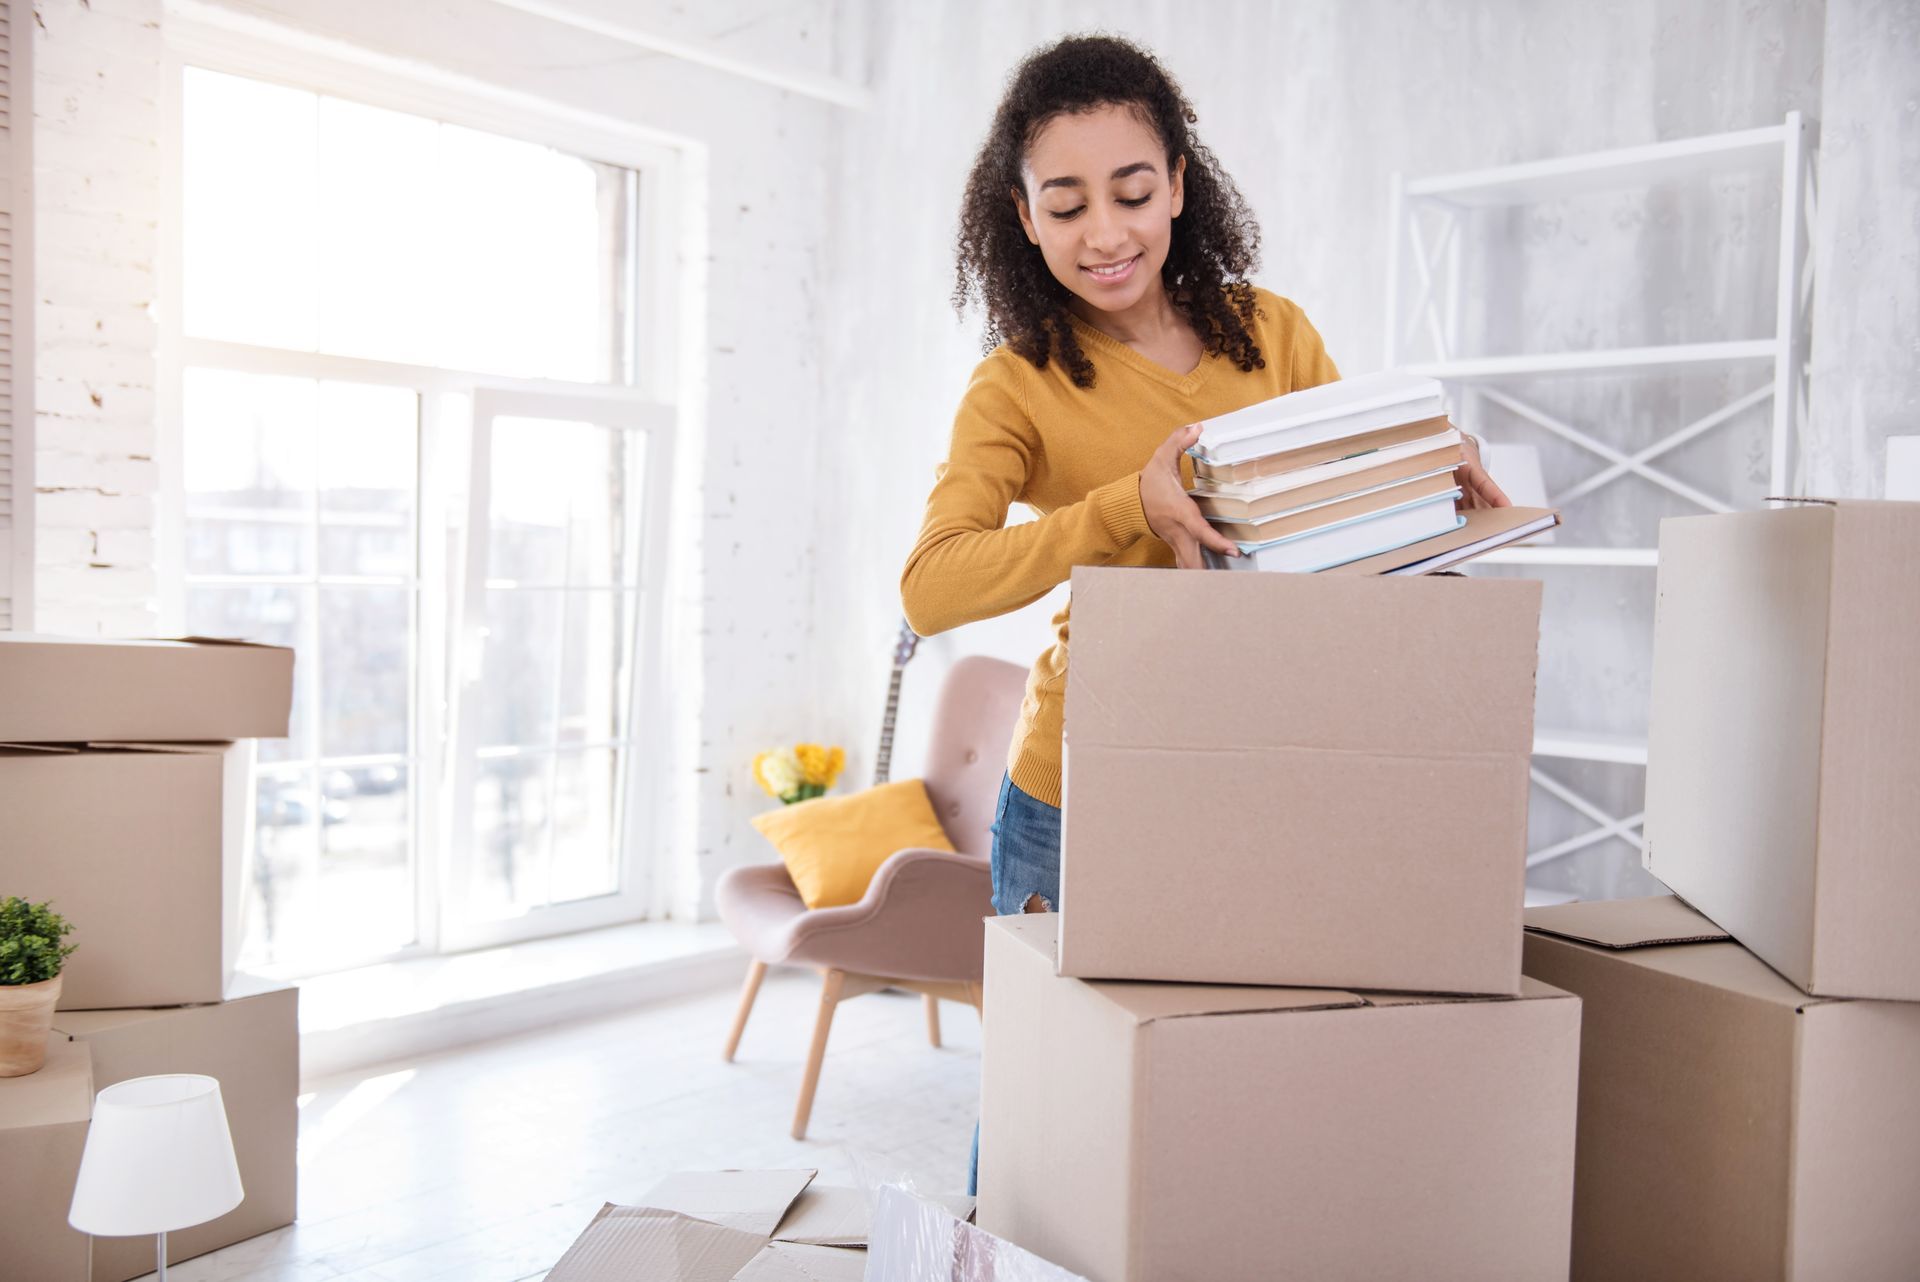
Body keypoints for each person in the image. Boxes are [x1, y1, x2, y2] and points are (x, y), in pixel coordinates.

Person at [898, 33, 1509, 1195]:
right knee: (1046, 1088)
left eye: (1133, 192)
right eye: (1066, 205)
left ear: (1180, 182)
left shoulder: (1271, 333)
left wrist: (1436, 476)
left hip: (1262, 758)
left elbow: (1358, 522)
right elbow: (934, 582)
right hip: (1083, 783)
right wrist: (1127, 503)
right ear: (1022, 219)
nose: (1106, 232)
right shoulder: (1019, 382)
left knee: (1227, 1073)